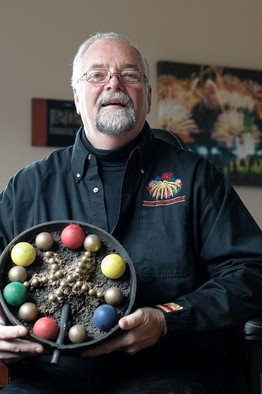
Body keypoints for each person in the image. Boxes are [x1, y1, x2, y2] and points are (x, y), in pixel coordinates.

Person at [0, 31, 262, 394]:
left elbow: (251, 271)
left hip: (166, 370)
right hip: (50, 375)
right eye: (96, 75)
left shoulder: (197, 178)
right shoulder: (26, 187)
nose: (114, 84)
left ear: (148, 97)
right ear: (77, 97)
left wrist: (169, 318)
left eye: (130, 75)